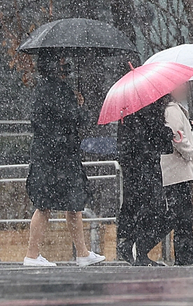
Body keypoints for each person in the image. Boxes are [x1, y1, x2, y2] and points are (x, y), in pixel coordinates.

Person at [24, 52, 105, 267]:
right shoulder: (59, 91)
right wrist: (80, 106)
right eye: (61, 63)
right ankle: (35, 255)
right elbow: (75, 119)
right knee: (62, 204)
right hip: (61, 157)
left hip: (47, 155)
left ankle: (81, 252)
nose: (65, 67)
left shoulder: (41, 91)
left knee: (56, 204)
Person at [116, 96, 173, 266]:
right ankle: (136, 249)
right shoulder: (146, 108)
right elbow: (153, 132)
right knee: (157, 210)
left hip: (136, 168)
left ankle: (135, 248)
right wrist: (167, 133)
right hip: (144, 166)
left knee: (144, 209)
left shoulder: (128, 109)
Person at [159, 83, 193, 266]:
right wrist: (190, 153)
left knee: (181, 215)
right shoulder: (172, 109)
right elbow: (177, 137)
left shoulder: (174, 108)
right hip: (178, 170)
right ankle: (185, 257)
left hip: (177, 171)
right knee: (182, 216)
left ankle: (185, 256)